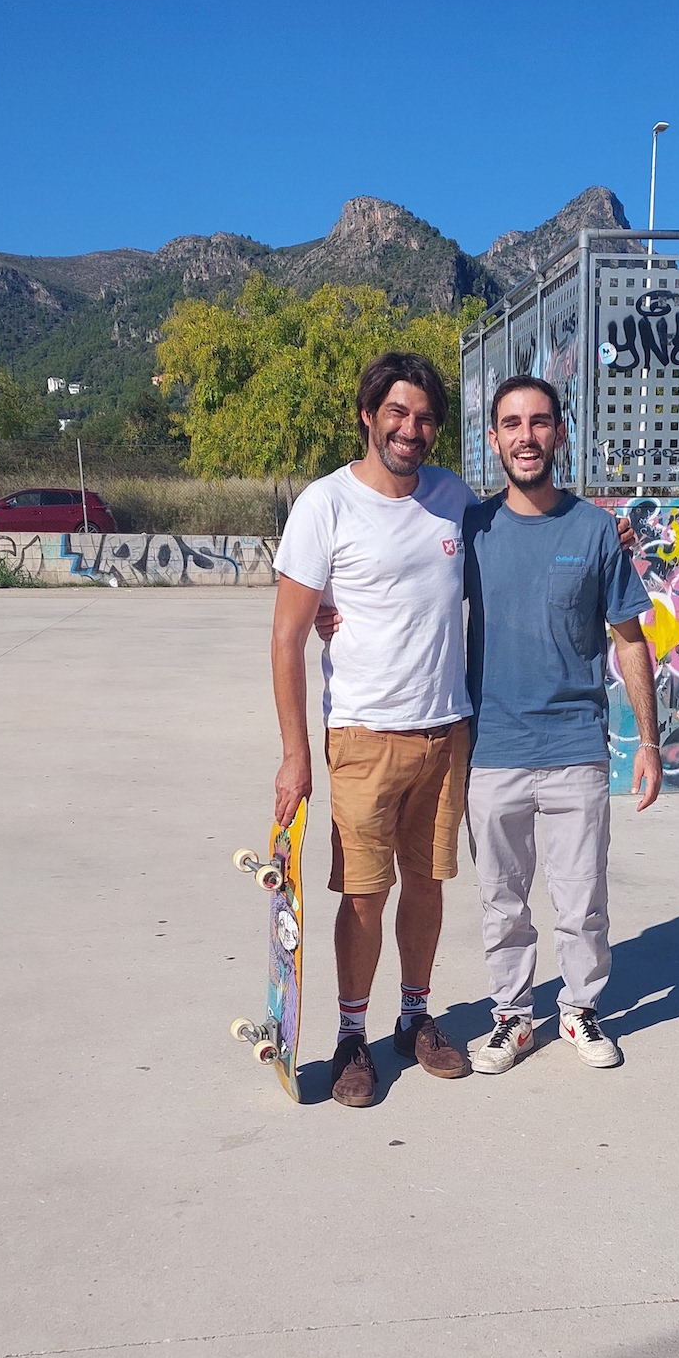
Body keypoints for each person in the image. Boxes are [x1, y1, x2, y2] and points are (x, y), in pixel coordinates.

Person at [270, 352, 474, 1108]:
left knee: (426, 883)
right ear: (368, 414)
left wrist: (599, 542)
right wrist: (297, 755)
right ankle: (351, 1036)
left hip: (445, 733)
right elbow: (287, 636)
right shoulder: (325, 505)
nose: (410, 429)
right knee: (363, 895)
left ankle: (414, 1019)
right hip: (361, 734)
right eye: (397, 412)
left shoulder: (454, 496)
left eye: (424, 418)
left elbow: (519, 543)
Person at [464, 374, 662, 1075]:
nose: (526, 436)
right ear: (492, 438)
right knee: (502, 903)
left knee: (582, 902)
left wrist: (649, 744)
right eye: (511, 424)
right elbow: (409, 596)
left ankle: (579, 1011)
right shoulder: (472, 527)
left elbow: (629, 639)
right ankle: (513, 1019)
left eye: (540, 422)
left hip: (576, 747)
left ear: (560, 432)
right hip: (492, 752)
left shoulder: (593, 530)